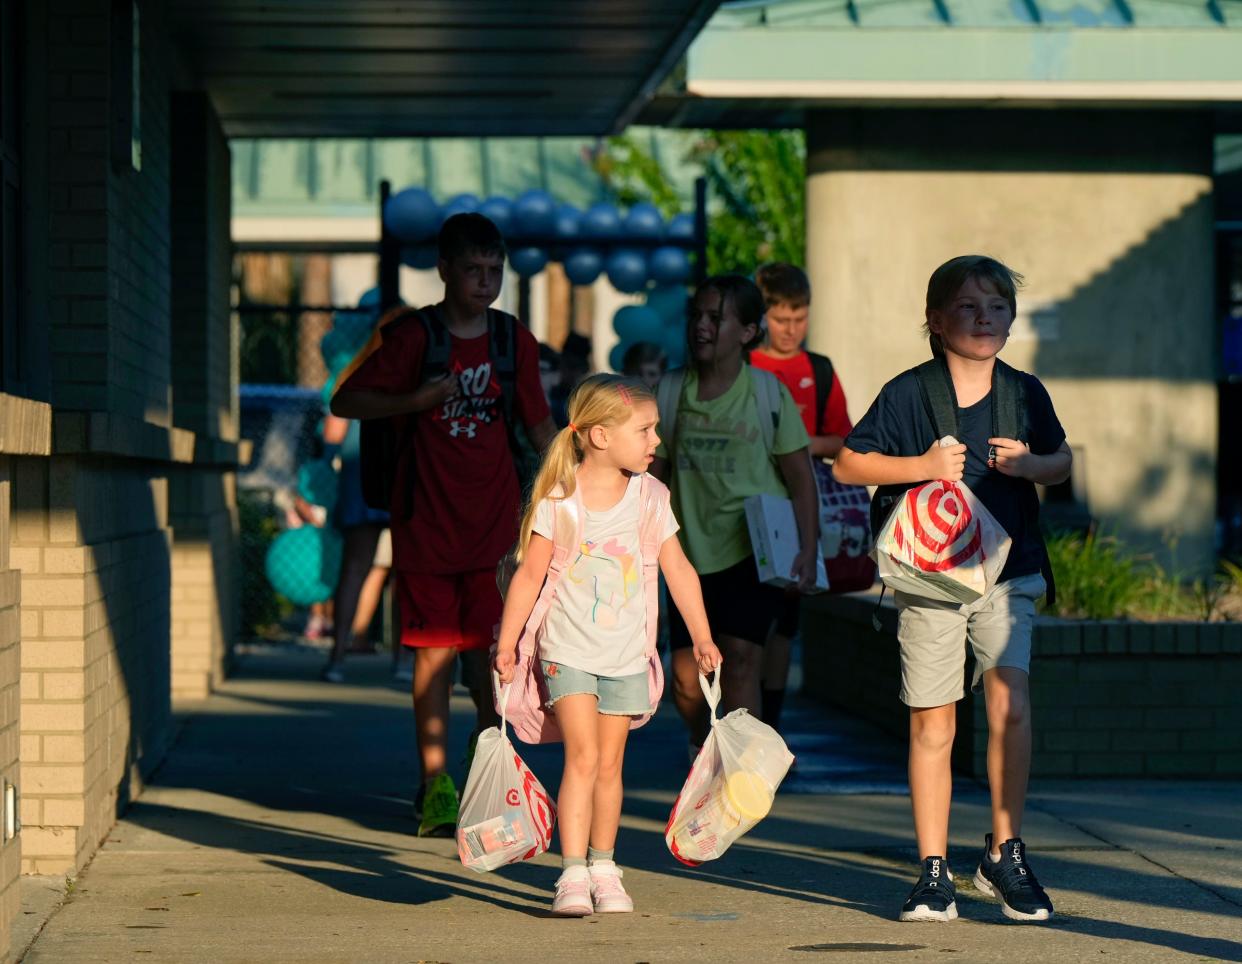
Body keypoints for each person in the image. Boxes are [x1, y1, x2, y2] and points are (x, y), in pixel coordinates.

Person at [834, 255, 1071, 924]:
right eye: (969, 307)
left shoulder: (1025, 392)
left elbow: (1062, 460)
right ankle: (933, 870)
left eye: (997, 307)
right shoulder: (910, 392)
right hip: (932, 577)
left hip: (1010, 568)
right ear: (936, 322)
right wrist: (922, 466)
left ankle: (1005, 851)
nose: (985, 318)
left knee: (1010, 703)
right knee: (932, 718)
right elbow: (850, 462)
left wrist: (1030, 463)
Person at [331, 213, 558, 837]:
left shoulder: (513, 342)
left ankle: (489, 766)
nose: (484, 282)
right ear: (445, 270)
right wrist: (415, 400)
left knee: (495, 659)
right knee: (432, 658)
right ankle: (434, 783)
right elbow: (344, 401)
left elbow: (539, 425)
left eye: (494, 271)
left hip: (495, 529)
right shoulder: (413, 338)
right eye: (473, 270)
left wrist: (573, 485)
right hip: (425, 524)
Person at [494, 374, 721, 916]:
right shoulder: (560, 499)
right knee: (584, 756)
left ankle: (603, 865)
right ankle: (571, 873)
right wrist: (508, 645)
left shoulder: (650, 498)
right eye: (644, 430)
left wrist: (703, 636)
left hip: (625, 655)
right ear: (598, 436)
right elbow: (528, 576)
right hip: (566, 651)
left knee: (611, 764)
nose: (655, 441)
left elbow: (679, 570)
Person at [651, 275, 819, 759]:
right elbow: (652, 481)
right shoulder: (669, 391)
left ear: (747, 332)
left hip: (753, 549)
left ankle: (746, 778)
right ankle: (705, 745)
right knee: (687, 680)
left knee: (742, 662)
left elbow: (800, 477)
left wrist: (807, 550)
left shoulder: (767, 393)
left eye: (715, 318)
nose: (701, 327)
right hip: (686, 555)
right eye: (696, 317)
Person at [749, 263, 854, 731]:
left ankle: (768, 728)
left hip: (797, 510)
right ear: (762, 316)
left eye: (800, 319)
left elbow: (845, 440)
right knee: (745, 630)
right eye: (781, 319)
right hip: (745, 509)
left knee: (782, 628)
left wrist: (799, 445)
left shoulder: (819, 369)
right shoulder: (743, 365)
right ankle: (734, 727)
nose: (791, 330)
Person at [320, 412, 392, 683]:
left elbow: (331, 437)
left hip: (364, 468)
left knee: (355, 568)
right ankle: (406, 660)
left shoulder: (354, 375)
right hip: (384, 465)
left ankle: (337, 657)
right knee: (404, 571)